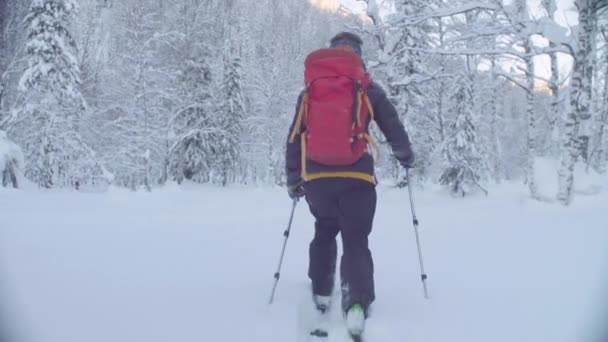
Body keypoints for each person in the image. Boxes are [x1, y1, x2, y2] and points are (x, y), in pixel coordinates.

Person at [285, 32, 415, 336]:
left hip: (317, 178)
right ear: (358, 56)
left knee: (324, 230)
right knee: (356, 239)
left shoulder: (310, 91)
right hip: (357, 178)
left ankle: (320, 291)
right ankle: (356, 303)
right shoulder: (367, 87)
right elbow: (392, 126)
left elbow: (294, 137)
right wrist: (405, 156)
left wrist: (294, 178)